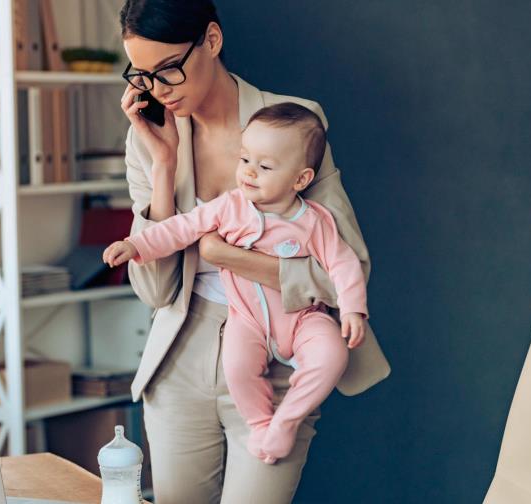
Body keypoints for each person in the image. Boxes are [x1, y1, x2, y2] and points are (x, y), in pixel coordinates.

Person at [117, 0, 391, 502]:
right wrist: (162, 165)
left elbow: (345, 267)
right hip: (180, 359)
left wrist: (228, 257)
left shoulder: (295, 124)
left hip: (280, 358)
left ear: (212, 41)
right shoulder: (148, 140)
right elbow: (156, 291)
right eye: (142, 76)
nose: (158, 90)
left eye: (169, 70)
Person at [105, 102, 368, 465]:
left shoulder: (314, 220)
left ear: (301, 179)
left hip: (304, 317)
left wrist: (353, 309)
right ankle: (261, 424)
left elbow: (344, 263)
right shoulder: (229, 206)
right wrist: (135, 245)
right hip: (246, 320)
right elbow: (181, 228)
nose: (248, 173)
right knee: (237, 365)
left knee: (332, 355)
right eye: (245, 160)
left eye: (265, 166)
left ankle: (286, 419)